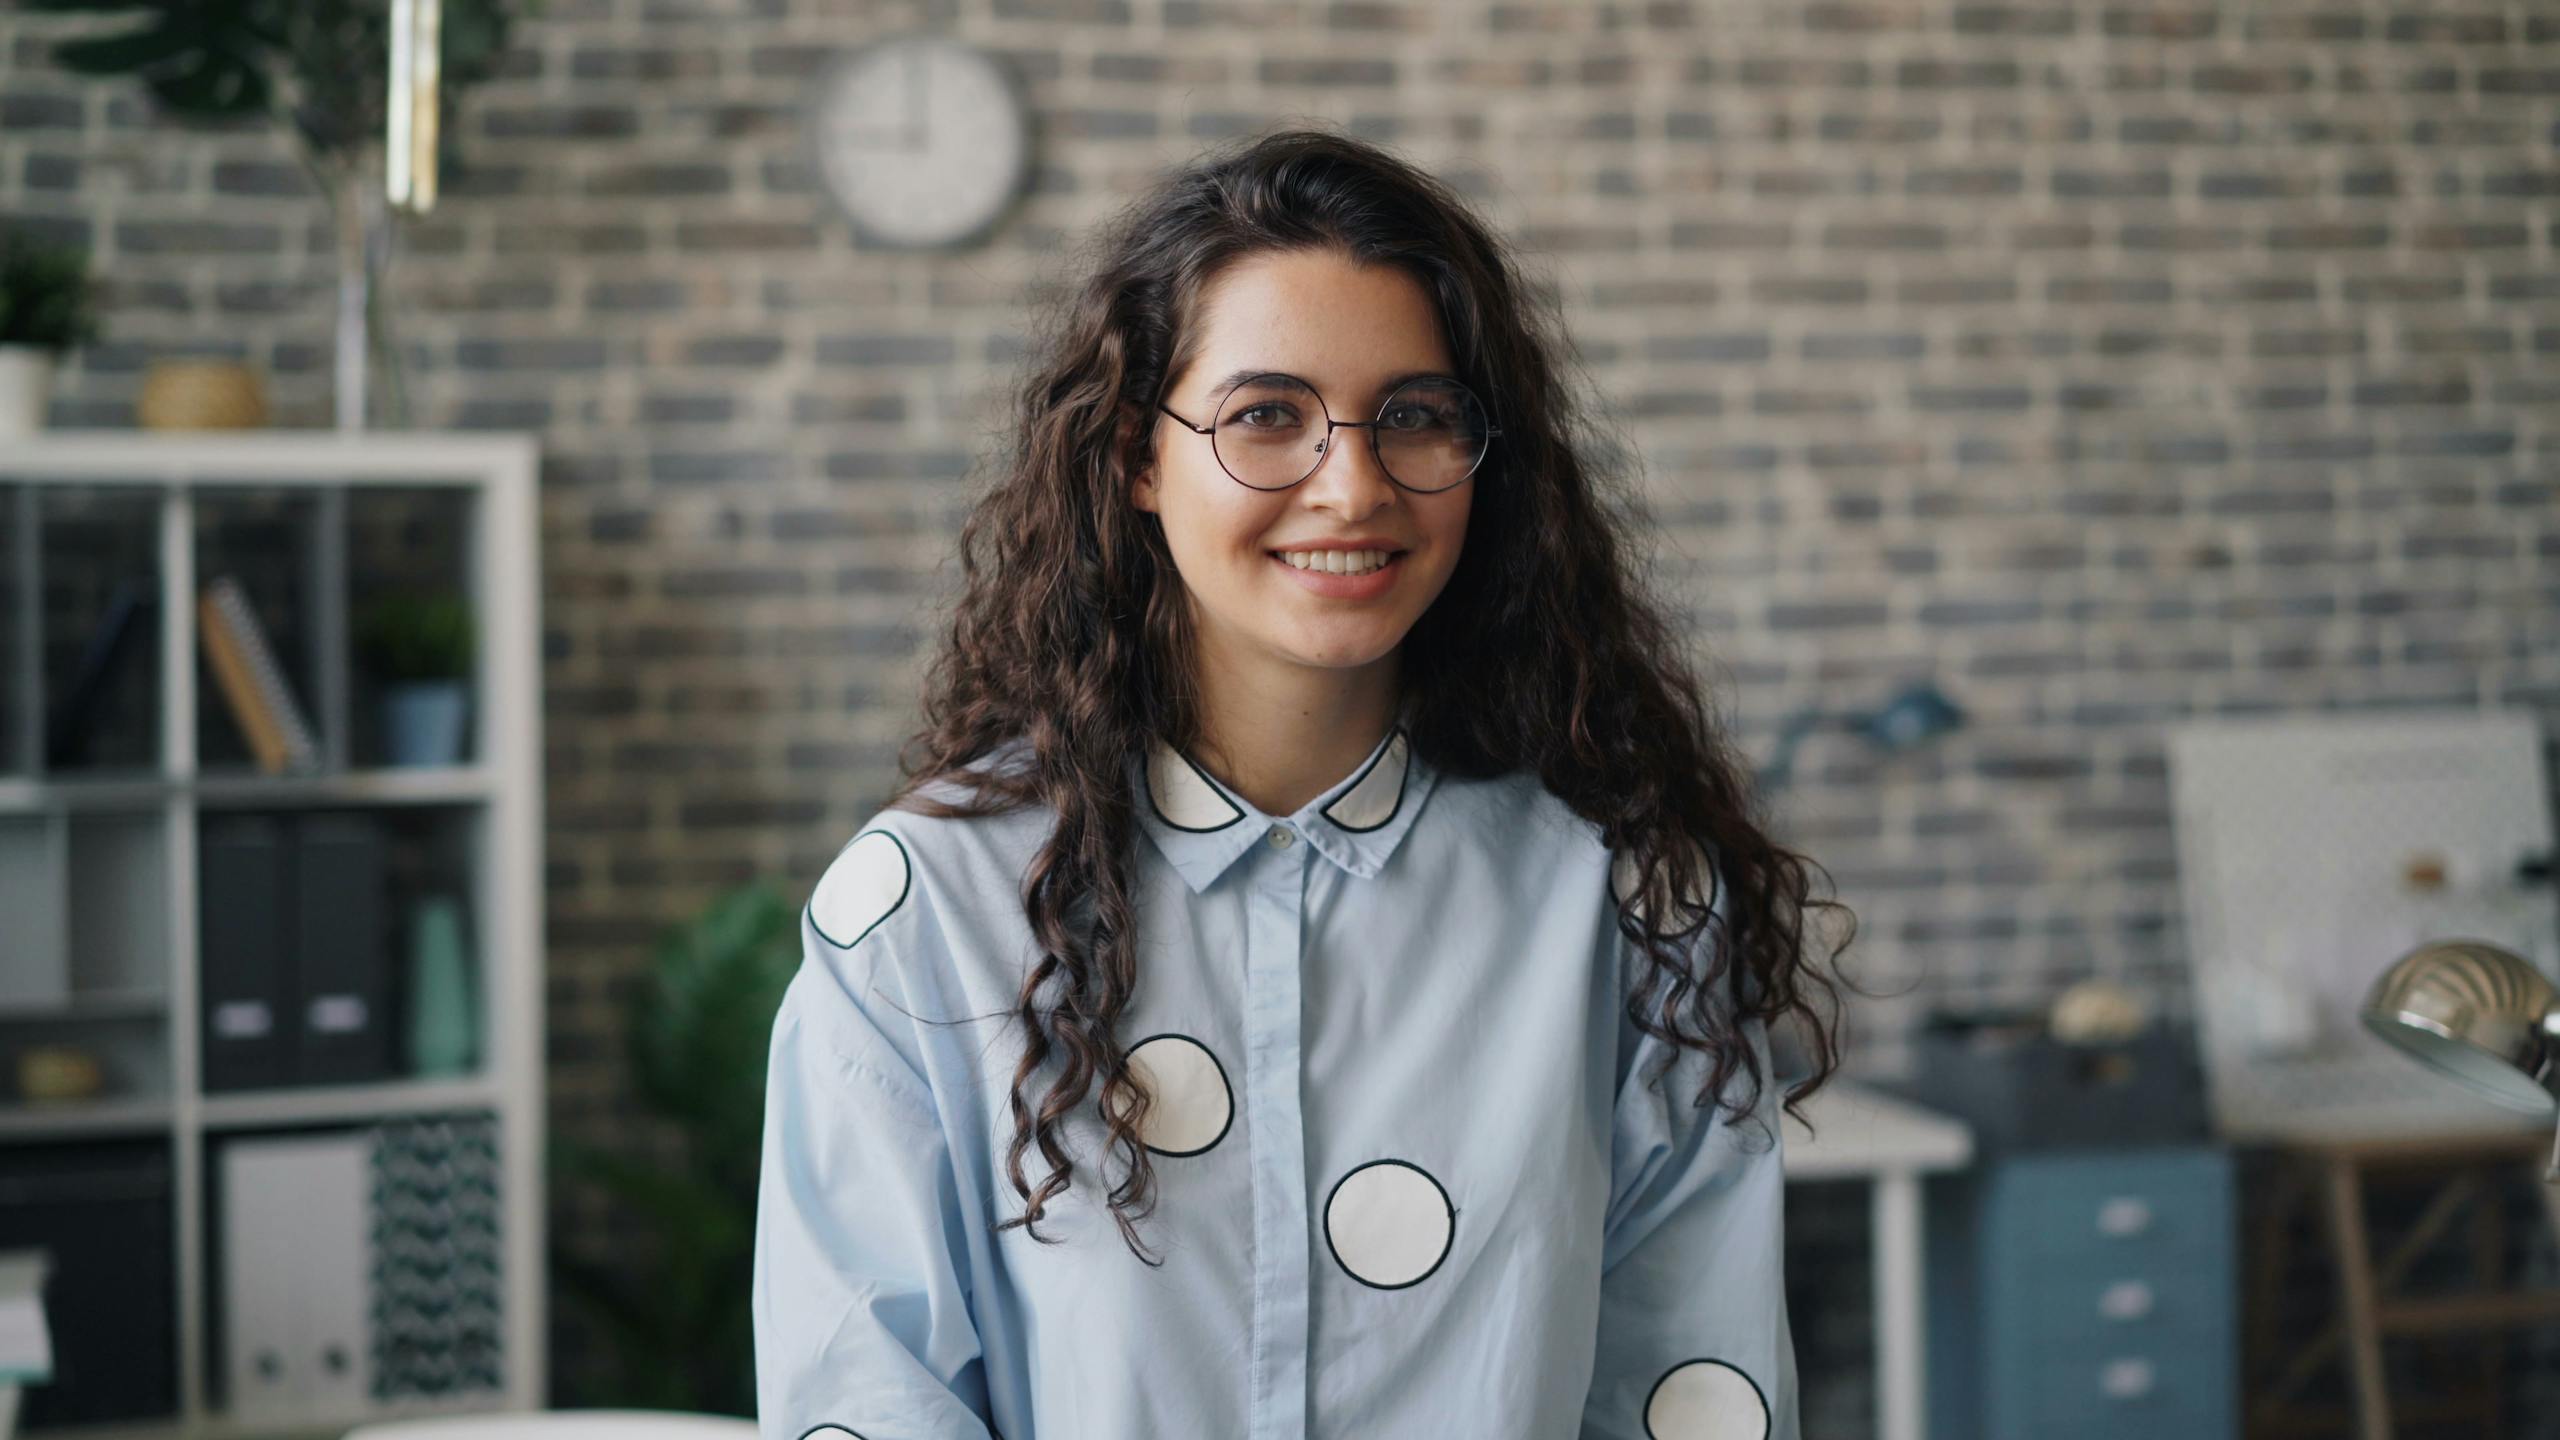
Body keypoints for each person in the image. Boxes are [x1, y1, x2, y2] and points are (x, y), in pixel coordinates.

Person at [752, 125, 1852, 1440]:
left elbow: (1694, 1390)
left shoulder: (1624, 900)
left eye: (1416, 416)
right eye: (1266, 416)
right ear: (1135, 460)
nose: (1352, 486)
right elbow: (868, 1402)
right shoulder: (930, 909)